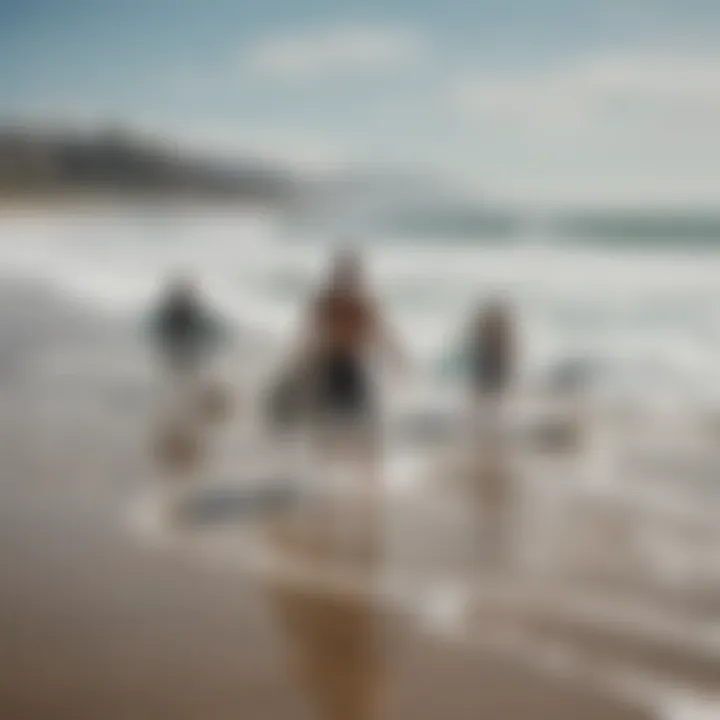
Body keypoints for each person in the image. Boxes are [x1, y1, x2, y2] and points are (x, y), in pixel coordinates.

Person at [292, 248, 405, 462]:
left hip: (349, 367)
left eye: (350, 275)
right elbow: (310, 335)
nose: (349, 280)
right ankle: (331, 472)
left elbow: (382, 333)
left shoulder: (358, 304)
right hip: (331, 367)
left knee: (362, 424)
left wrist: (397, 359)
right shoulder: (327, 303)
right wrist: (302, 364)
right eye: (346, 275)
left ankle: (358, 474)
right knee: (331, 423)